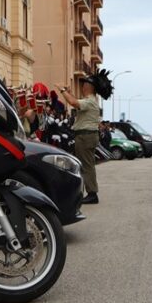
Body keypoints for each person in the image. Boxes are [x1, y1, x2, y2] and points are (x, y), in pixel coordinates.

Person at [56, 68, 113, 204]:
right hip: (85, 136)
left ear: (88, 87)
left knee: (87, 166)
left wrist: (62, 90)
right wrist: (68, 93)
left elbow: (74, 103)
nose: (82, 87)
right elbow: (76, 101)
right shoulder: (90, 100)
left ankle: (92, 194)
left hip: (85, 137)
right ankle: (86, 191)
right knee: (84, 165)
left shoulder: (90, 101)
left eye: (84, 85)